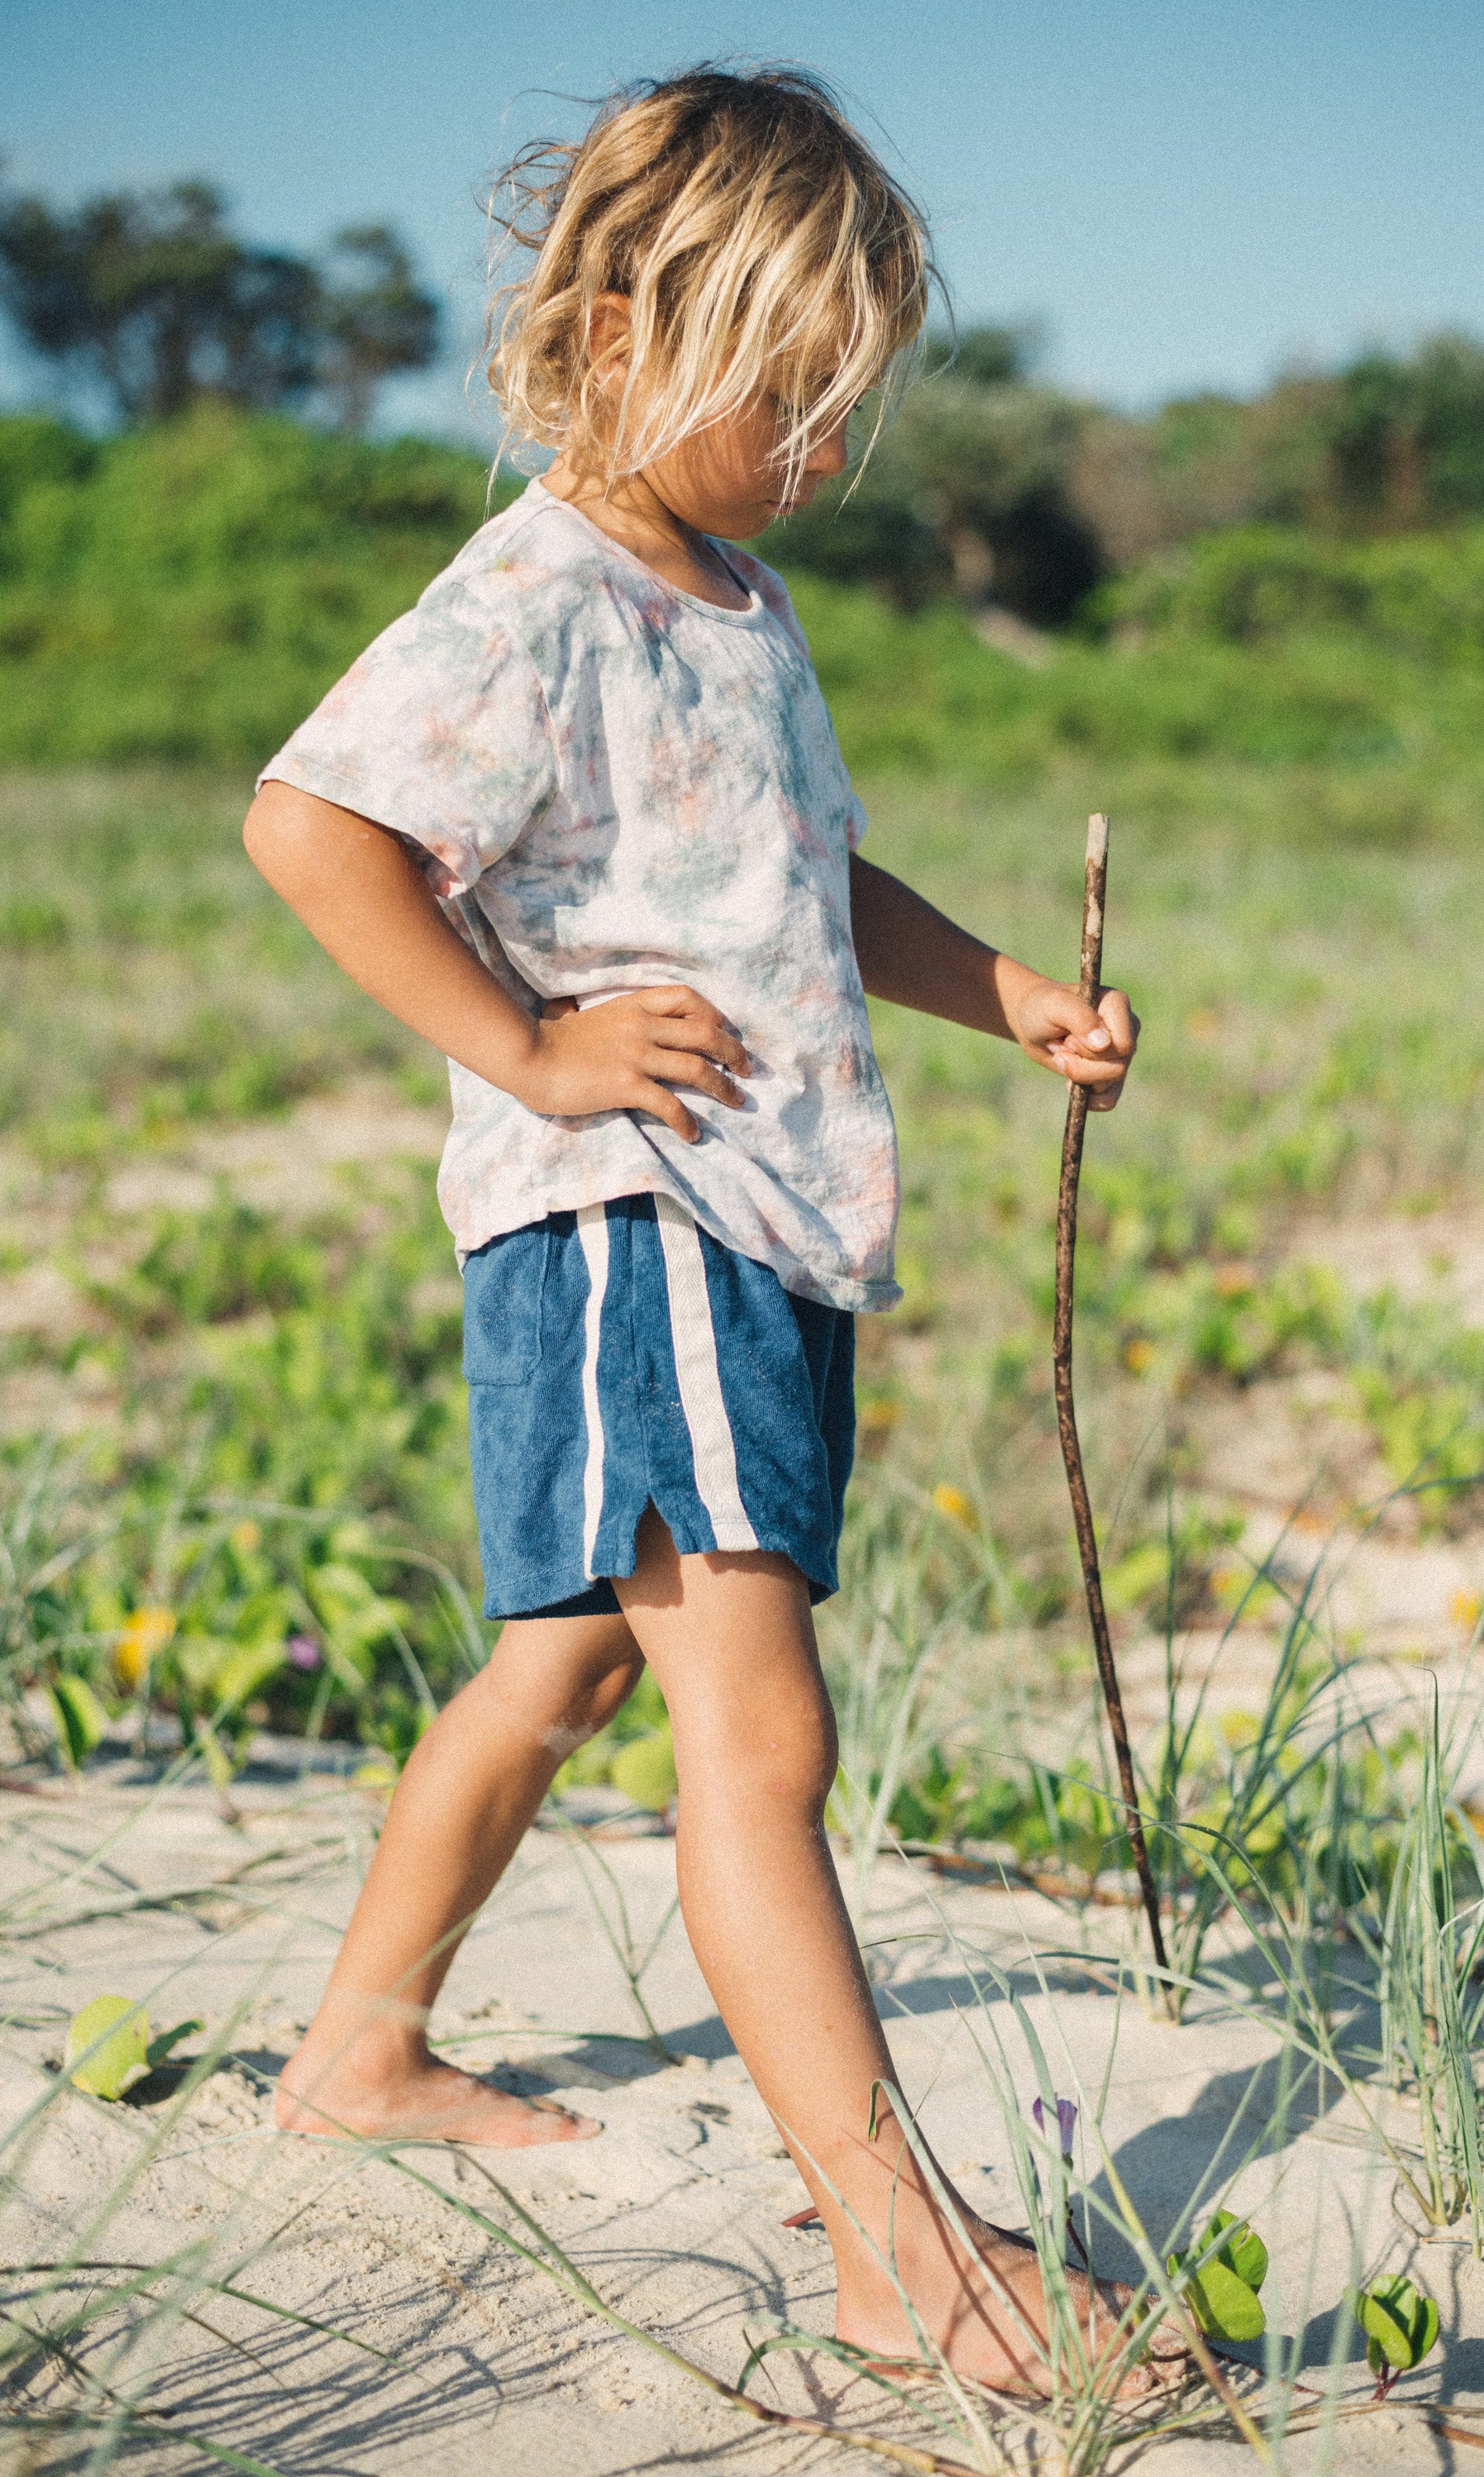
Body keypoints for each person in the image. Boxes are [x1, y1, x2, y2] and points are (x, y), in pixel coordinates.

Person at [244, 64, 1173, 2398]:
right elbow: (317, 827)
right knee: (760, 1737)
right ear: (636, 324)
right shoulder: (538, 586)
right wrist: (537, 1050)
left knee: (561, 1667)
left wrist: (1006, 994)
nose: (829, 449)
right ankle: (898, 2251)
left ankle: (360, 2043)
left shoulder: (736, 601)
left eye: (854, 402)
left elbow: (799, 883)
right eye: (796, 391)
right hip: (630, 1213)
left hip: (750, 1229)